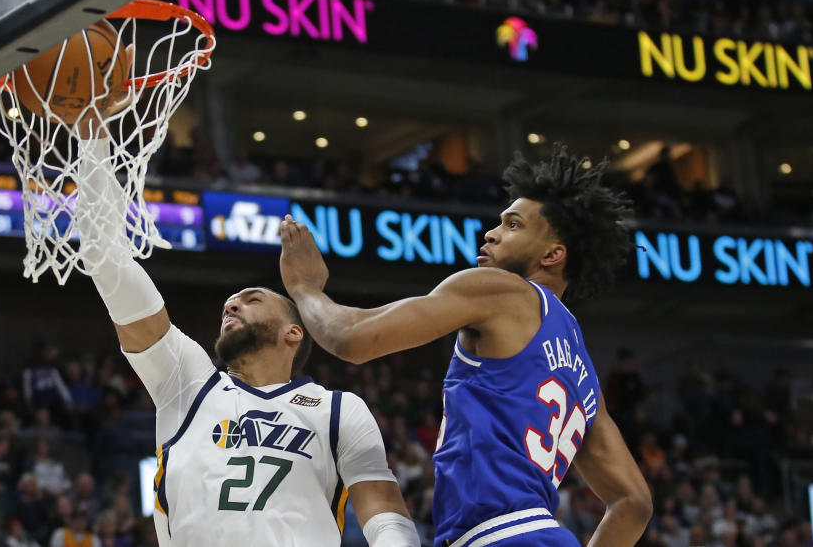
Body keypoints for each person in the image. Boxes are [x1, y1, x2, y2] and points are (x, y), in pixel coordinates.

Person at [279, 143, 653, 547]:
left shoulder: (501, 290)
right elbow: (634, 503)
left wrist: (305, 289)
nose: (491, 233)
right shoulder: (581, 365)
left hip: (497, 534)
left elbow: (352, 338)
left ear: (553, 254)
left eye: (513, 225)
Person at [71, 115, 420, 547]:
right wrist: (92, 135)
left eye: (253, 299)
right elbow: (107, 261)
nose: (232, 303)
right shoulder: (188, 381)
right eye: (230, 302)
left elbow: (383, 511)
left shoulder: (338, 410)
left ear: (294, 333)